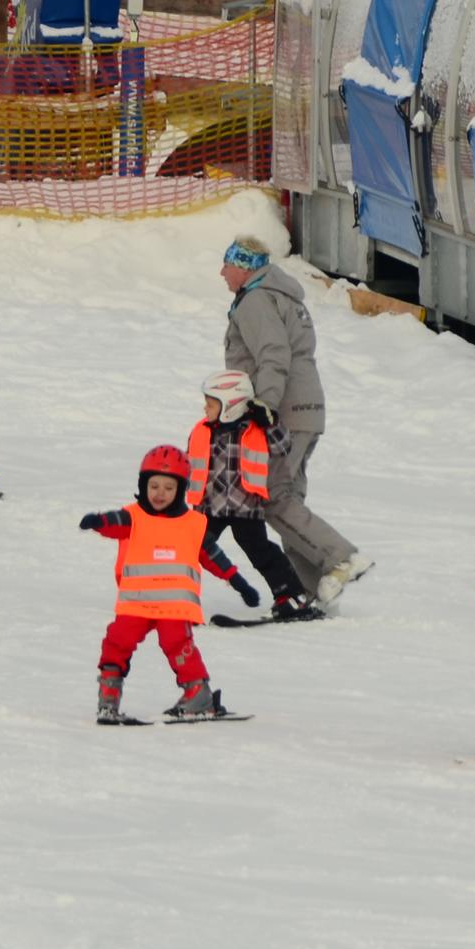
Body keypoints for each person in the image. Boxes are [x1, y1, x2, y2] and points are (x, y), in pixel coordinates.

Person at [220, 238, 370, 604]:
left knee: (271, 497)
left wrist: (265, 404)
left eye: (227, 265)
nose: (222, 272)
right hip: (306, 408)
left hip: (283, 410)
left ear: (244, 267)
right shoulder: (281, 295)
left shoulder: (256, 300)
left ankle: (340, 557)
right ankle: (310, 588)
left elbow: (273, 352)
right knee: (289, 498)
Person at [77, 444, 244, 724]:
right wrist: (98, 521)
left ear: (181, 490)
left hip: (174, 607)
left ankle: (198, 694)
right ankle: (108, 700)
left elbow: (213, 556)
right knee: (117, 642)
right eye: (153, 486)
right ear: (143, 486)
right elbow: (114, 522)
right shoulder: (133, 516)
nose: (160, 493)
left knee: (177, 644)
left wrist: (236, 579)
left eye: (168, 488)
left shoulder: (192, 524)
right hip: (136, 603)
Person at [187, 369, 314, 621]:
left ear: (230, 405)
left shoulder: (256, 428)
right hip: (209, 507)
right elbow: (187, 464)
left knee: (260, 551)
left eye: (211, 404)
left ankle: (291, 595)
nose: (205, 409)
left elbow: (283, 446)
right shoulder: (202, 430)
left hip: (245, 507)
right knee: (189, 549)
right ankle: (172, 594)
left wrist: (270, 423)